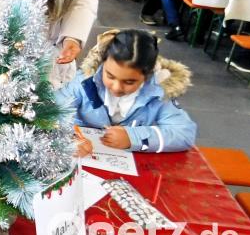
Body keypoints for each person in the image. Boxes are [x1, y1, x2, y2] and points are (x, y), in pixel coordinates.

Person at [57, 29, 196, 155]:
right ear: (103, 64)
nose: (117, 87)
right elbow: (53, 112)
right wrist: (68, 138)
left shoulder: (159, 93)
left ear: (147, 76)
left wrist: (133, 137)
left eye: (129, 82)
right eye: (110, 76)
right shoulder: (84, 82)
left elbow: (184, 134)